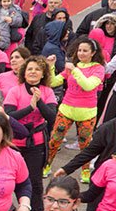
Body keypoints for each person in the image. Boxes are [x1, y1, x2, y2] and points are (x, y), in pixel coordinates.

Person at [4, 55, 58, 211]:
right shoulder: (15, 91)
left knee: (35, 182)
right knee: (8, 180)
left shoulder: (47, 92)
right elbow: (8, 116)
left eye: (37, 69)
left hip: (36, 144)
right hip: (14, 143)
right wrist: (30, 107)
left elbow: (52, 117)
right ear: (24, 73)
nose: (33, 72)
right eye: (30, 69)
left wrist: (39, 101)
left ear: (43, 74)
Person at [45, 37, 106, 180]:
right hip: (66, 109)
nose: (81, 53)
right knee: (54, 139)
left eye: (85, 51)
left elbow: (89, 86)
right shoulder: (72, 67)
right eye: (79, 50)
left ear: (93, 53)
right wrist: (51, 66)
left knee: (85, 145)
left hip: (87, 113)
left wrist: (75, 71)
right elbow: (53, 82)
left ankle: (85, 171)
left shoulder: (98, 68)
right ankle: (46, 165)